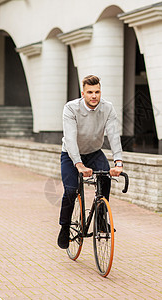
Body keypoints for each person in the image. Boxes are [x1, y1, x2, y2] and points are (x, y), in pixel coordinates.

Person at [58, 75, 123, 249]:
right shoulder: (71, 108)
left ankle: (101, 220)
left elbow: (114, 135)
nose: (94, 96)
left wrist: (118, 162)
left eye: (97, 92)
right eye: (90, 92)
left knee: (105, 179)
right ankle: (64, 227)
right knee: (71, 191)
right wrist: (78, 164)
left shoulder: (107, 108)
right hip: (71, 155)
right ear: (83, 93)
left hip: (94, 153)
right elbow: (70, 139)